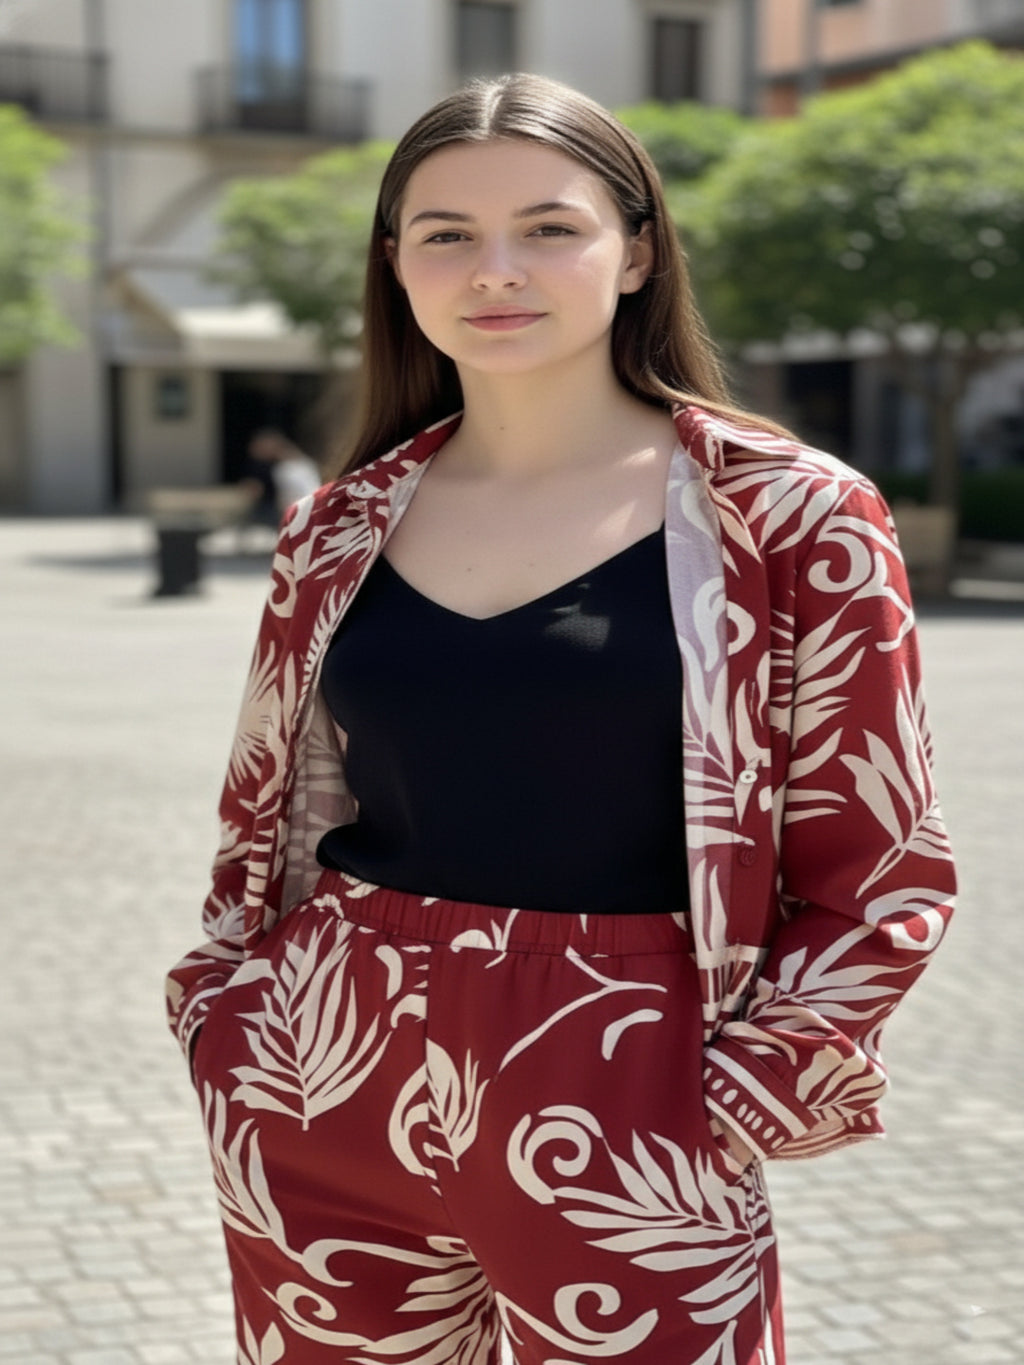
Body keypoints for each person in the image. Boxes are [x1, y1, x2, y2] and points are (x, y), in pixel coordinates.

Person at [166, 73, 956, 1365]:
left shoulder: (791, 517)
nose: (497, 269)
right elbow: (268, 804)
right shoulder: (336, 526)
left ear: (636, 249)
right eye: (446, 234)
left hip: (634, 1085)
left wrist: (733, 1100)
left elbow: (886, 873)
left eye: (549, 226)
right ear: (397, 265)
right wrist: (226, 1010)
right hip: (324, 1068)